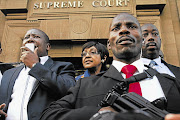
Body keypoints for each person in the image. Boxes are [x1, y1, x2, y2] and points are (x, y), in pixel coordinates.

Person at [39, 13, 179, 120]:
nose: (124, 31)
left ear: (142, 39)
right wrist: (99, 114)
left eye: (131, 26)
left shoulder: (170, 81)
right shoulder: (84, 85)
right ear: (108, 44)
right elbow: (49, 114)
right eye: (116, 28)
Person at [0, 28, 76, 120]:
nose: (30, 39)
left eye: (36, 36)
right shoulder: (8, 73)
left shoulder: (63, 67)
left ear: (48, 46)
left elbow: (69, 90)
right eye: (26, 37)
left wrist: (35, 66)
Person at [141, 23, 180, 113]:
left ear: (160, 40)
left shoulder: (177, 72)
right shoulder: (128, 72)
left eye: (155, 34)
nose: (151, 38)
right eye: (145, 35)